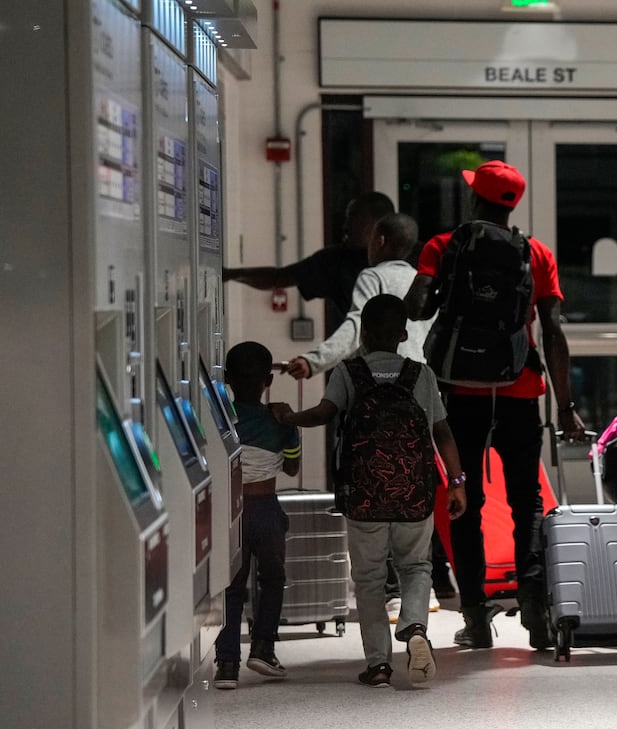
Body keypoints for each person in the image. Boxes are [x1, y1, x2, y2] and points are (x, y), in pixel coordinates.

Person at [405, 160, 586, 651]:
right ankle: (534, 607)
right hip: (520, 392)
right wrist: (566, 406)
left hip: (461, 392)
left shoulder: (444, 246)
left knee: (465, 497)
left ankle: (477, 617)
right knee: (526, 497)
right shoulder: (536, 254)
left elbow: (417, 308)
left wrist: (440, 286)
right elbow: (552, 331)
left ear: (474, 199)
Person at [272, 295, 466, 688]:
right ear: (403, 334)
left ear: (363, 333)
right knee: (416, 567)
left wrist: (289, 417)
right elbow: (441, 430)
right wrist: (457, 482)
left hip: (364, 496)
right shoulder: (420, 375)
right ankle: (414, 629)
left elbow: (325, 414)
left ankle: (378, 664)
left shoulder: (348, 372)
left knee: (369, 580)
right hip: (414, 493)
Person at [214, 342, 301, 690]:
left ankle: (226, 665)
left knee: (231, 589)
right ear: (268, 380)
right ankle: (263, 648)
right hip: (266, 508)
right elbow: (293, 468)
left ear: (227, 380)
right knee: (272, 579)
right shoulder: (280, 420)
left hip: (230, 513)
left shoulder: (220, 419)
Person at [282, 213, 433, 380]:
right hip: (419, 376)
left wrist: (312, 362)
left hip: (381, 379)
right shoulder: (421, 282)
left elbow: (356, 327)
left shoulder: (373, 277)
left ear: (380, 241)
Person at [224, 192, 395, 320]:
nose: (345, 227)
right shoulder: (336, 260)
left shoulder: (412, 257)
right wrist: (229, 274)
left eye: (352, 218)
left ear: (376, 223)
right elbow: (279, 278)